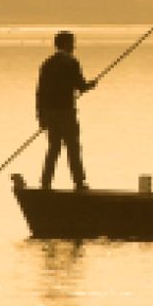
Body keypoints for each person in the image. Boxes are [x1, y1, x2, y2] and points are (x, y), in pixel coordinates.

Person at [36, 30, 97, 190]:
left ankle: (45, 182)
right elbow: (80, 85)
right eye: (72, 43)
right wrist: (90, 85)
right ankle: (78, 182)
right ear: (66, 44)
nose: (74, 46)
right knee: (73, 146)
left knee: (54, 147)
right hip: (65, 111)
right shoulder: (71, 62)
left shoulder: (47, 63)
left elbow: (40, 91)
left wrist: (41, 116)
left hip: (49, 112)